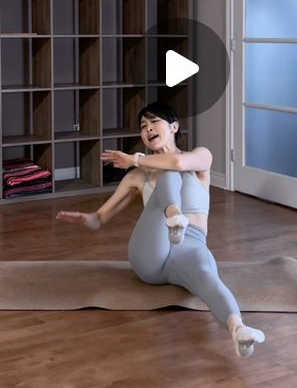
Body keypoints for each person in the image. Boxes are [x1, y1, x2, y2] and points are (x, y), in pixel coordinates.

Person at [56, 101, 265, 359]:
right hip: (151, 252)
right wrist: (85, 219)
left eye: (154, 122)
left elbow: (177, 161)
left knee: (206, 274)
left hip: (189, 245)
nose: (148, 129)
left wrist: (134, 159)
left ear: (174, 126)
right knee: (166, 174)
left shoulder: (201, 158)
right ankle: (173, 215)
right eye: (143, 126)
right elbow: (99, 219)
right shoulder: (136, 177)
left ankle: (238, 330)